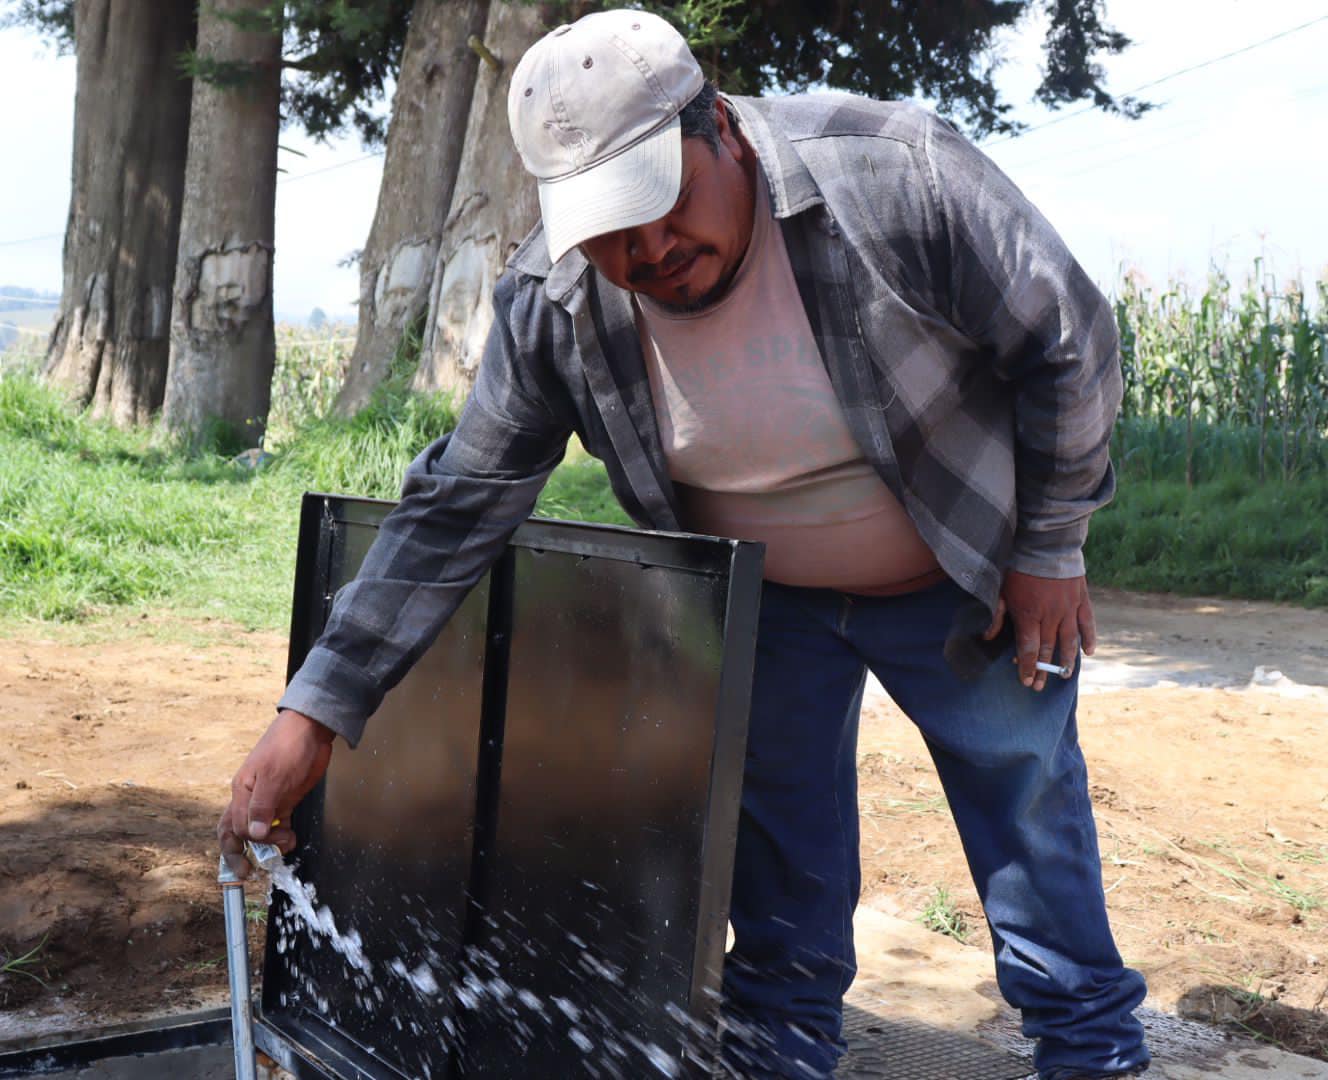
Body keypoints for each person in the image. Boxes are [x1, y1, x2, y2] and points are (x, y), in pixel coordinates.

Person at [219, 10, 1150, 1078]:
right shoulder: (556, 299)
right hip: (767, 605)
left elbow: (1068, 341)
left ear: (718, 128)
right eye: (609, 230)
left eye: (660, 205)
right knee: (775, 860)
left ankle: (1089, 1050)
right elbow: (457, 505)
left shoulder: (893, 176)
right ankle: (778, 1056)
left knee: (1021, 805)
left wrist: (1048, 547)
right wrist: (316, 710)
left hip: (961, 571)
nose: (648, 251)